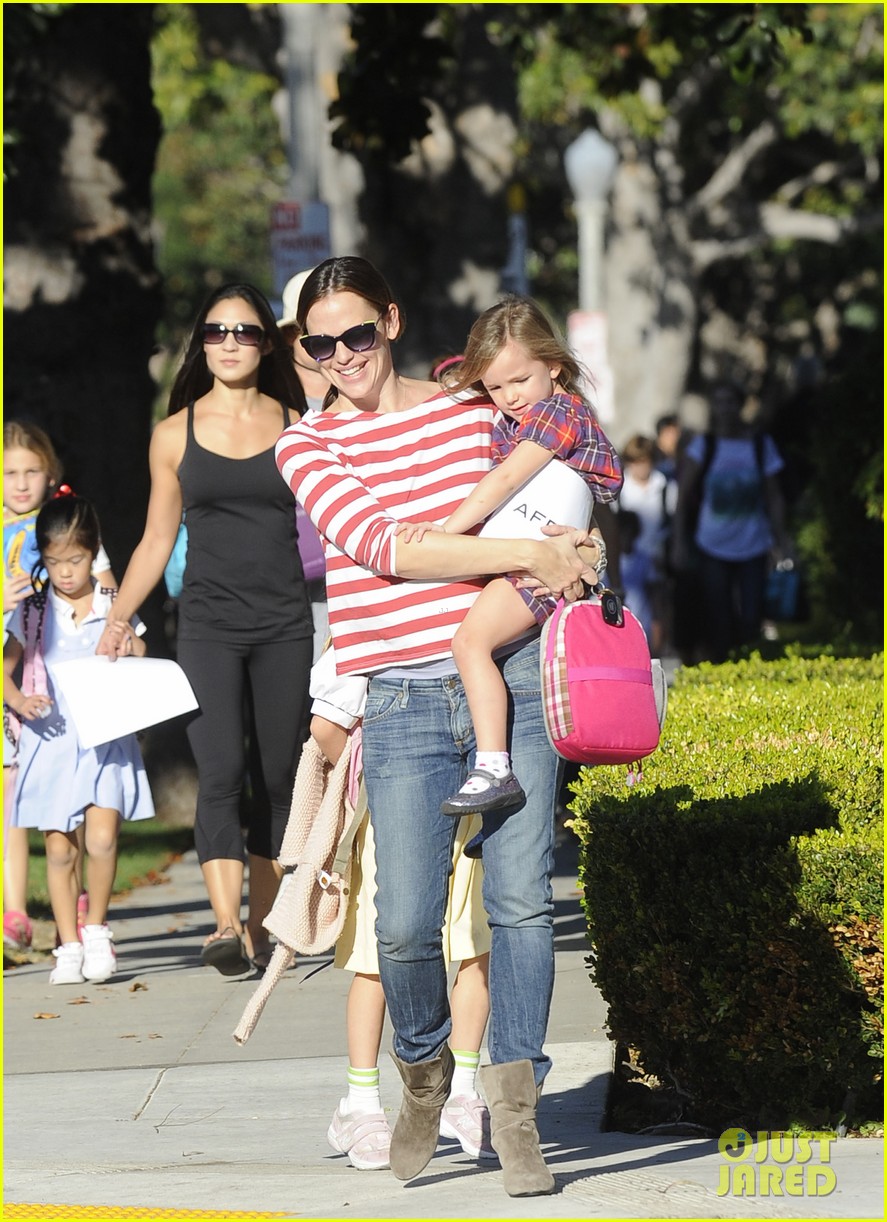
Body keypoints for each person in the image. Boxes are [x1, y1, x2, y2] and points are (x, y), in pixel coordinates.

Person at [275, 256, 601, 1197]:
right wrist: (531, 549)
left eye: (357, 335)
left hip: (513, 679)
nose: (341, 356)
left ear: (390, 320)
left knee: (521, 907)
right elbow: (391, 549)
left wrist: (571, 540)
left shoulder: (471, 407)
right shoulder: (308, 447)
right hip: (405, 701)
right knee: (407, 921)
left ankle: (515, 1106)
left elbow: (555, 473)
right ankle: (420, 1077)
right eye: (319, 343)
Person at [96, 283, 314, 976]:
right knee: (218, 770)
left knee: (277, 776)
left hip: (284, 624)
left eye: (244, 332)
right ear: (201, 343)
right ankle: (223, 926)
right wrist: (118, 617)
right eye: (216, 332)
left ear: (266, 344)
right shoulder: (174, 434)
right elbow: (157, 540)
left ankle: (260, 925)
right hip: (208, 628)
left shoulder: (299, 423)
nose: (228, 343)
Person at [397, 296, 621, 845]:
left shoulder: (556, 413)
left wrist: (443, 534)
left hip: (538, 560)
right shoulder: (535, 408)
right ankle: (493, 796)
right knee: (485, 653)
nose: (509, 397)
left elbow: (502, 482)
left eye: (519, 379)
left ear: (554, 365)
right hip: (540, 552)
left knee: (470, 644)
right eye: (495, 387)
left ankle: (494, 770)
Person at [309, 644, 495, 1170]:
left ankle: (462, 1088)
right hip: (394, 814)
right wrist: (376, 772)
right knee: (378, 957)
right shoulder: (371, 619)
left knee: (472, 947)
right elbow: (327, 725)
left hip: (472, 815)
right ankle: (360, 1102)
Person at [2, 494, 154, 984]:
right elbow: (7, 670)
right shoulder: (33, 610)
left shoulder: (113, 603)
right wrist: (20, 702)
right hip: (49, 743)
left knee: (103, 837)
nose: (66, 572)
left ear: (94, 553)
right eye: (54, 562)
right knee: (61, 849)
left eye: (76, 560)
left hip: (103, 737)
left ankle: (95, 929)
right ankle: (66, 943)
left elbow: (140, 646)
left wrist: (130, 645)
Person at [3, 422, 114, 952]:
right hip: (17, 674)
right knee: (14, 796)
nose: (21, 482)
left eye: (31, 470)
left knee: (44, 789)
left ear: (51, 474)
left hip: (59, 688)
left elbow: (107, 583)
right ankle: (17, 911)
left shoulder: (67, 527)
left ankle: (71, 896)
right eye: (9, 473)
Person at [672, 381, 791, 663]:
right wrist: (678, 541)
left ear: (740, 406)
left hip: (754, 541)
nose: (725, 409)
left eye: (730, 402)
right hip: (711, 543)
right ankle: (722, 663)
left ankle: (749, 661)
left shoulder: (761, 445)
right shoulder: (705, 445)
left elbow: (774, 496)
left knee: (752, 611)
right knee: (718, 610)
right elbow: (683, 496)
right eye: (719, 402)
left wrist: (782, 538)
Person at [616, 433, 676, 651]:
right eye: (635, 462)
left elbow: (672, 524)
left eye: (644, 461)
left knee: (659, 607)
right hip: (627, 560)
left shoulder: (665, 487)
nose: (640, 468)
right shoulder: (619, 488)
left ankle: (658, 647)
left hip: (656, 559)